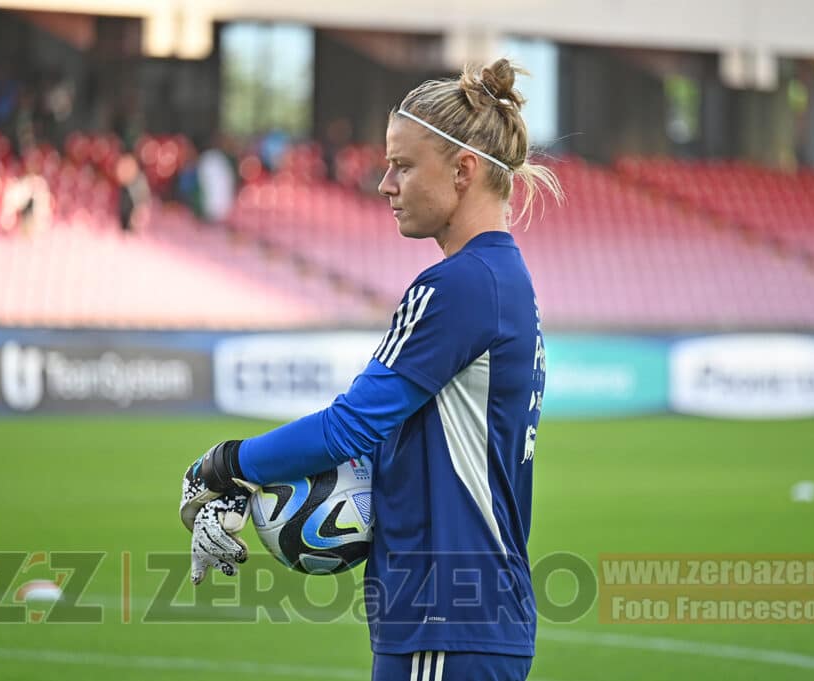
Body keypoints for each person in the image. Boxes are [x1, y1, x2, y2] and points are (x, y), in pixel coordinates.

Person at [180, 57, 562, 681]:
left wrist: (222, 467)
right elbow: (382, 440)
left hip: (444, 620)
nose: (386, 183)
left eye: (404, 166)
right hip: (471, 621)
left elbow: (349, 428)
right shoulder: (503, 278)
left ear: (464, 170)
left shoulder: (460, 285)